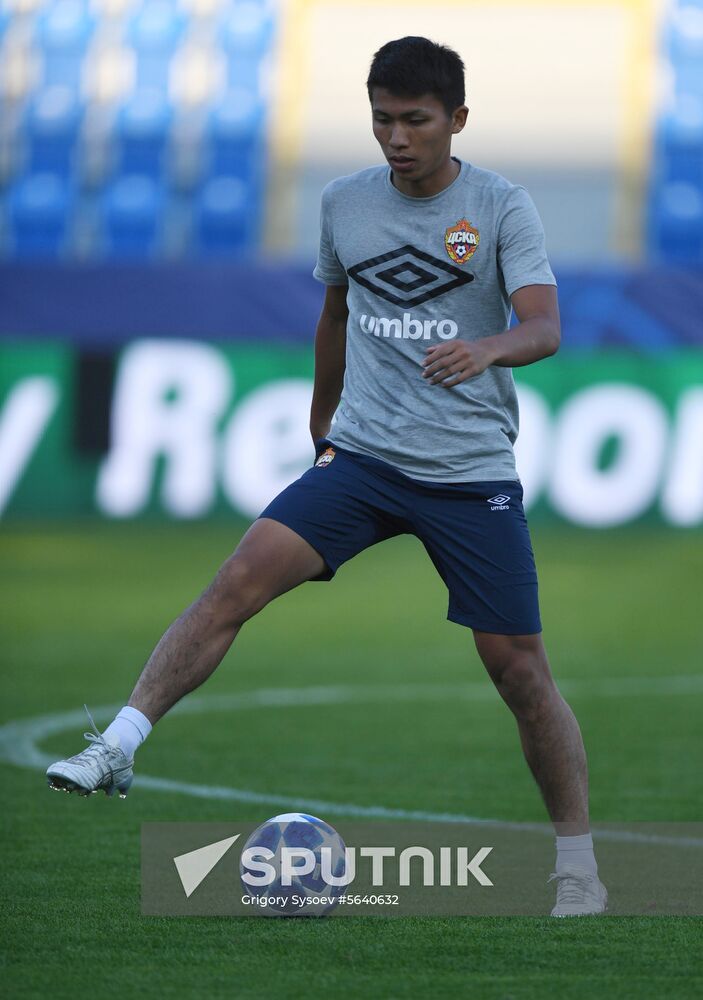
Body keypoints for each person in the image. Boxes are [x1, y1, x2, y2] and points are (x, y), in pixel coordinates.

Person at [47, 35, 607, 917]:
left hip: (468, 472)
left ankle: (576, 865)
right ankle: (117, 743)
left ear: (457, 119)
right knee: (237, 580)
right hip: (364, 458)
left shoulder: (500, 205)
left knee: (517, 669)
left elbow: (544, 328)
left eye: (415, 120)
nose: (396, 138)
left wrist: (486, 347)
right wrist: (322, 420)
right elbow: (336, 312)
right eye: (381, 119)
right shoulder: (345, 202)